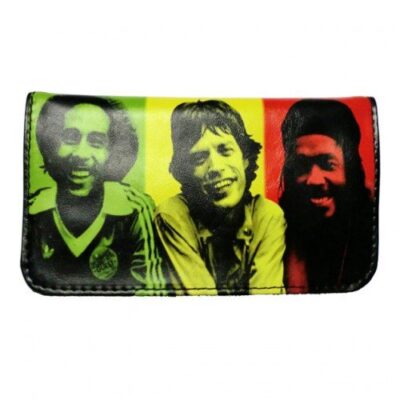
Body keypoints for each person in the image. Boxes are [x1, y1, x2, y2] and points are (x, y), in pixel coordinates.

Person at [27, 95, 164, 293]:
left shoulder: (135, 209)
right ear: (51, 146)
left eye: (96, 141)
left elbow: (153, 290)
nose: (81, 154)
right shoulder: (33, 209)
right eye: (70, 138)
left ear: (113, 153)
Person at [155, 100, 286, 295]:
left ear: (245, 158)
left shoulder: (266, 216)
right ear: (185, 172)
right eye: (199, 158)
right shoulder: (173, 215)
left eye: (225, 151)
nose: (215, 167)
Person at [279, 99, 375, 293]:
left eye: (328, 164)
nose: (314, 180)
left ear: (351, 171)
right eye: (302, 165)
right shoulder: (273, 228)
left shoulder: (373, 224)